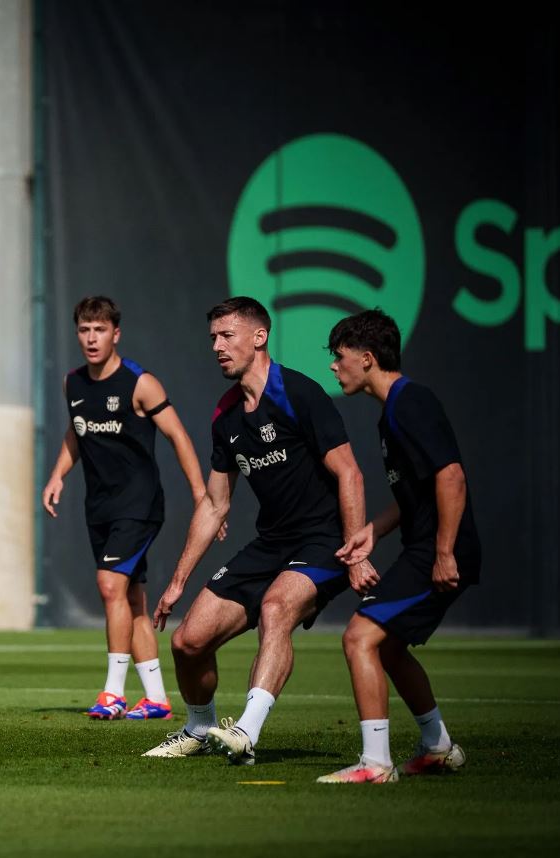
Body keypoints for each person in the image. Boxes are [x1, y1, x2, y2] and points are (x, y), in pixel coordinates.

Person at [144, 296, 377, 764]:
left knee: (275, 609)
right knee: (187, 643)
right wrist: (176, 583)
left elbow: (350, 473)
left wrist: (355, 553)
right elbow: (215, 504)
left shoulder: (299, 393)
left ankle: (246, 731)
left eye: (226, 335)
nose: (217, 346)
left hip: (323, 539)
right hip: (272, 542)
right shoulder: (226, 414)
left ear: (259, 336)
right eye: (212, 338)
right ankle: (199, 727)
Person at [316, 309, 480, 784]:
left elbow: (452, 477)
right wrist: (375, 529)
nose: (333, 366)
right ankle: (437, 747)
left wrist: (444, 551)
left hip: (437, 552)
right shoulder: (392, 413)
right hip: (426, 546)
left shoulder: (411, 402)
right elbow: (418, 492)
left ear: (367, 359)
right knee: (386, 646)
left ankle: (375, 764)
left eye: (339, 357)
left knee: (358, 637)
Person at [41, 296, 214, 721]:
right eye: (84, 330)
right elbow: (76, 433)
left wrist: (201, 497)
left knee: (108, 586)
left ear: (115, 334)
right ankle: (155, 698)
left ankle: (113, 693)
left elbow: (178, 437)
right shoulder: (73, 383)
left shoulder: (141, 383)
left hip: (138, 505)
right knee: (132, 599)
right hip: (98, 506)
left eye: (100, 329)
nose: (91, 338)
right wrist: (57, 474)